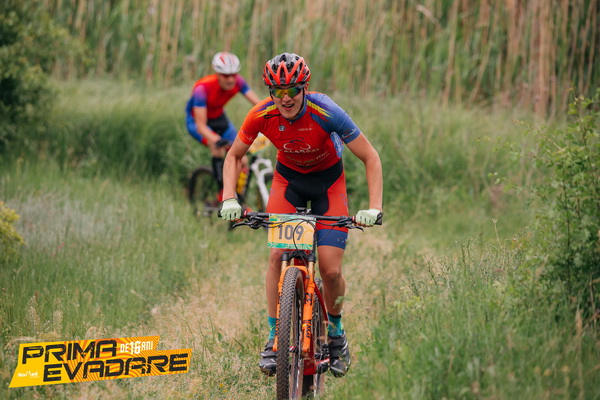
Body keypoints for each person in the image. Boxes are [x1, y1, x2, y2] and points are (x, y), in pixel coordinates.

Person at [219, 53, 383, 378]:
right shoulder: (261, 114)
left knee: (331, 271)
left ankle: (335, 333)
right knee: (277, 255)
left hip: (328, 185)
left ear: (304, 87)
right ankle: (274, 338)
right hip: (288, 183)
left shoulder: (327, 111)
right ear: (270, 92)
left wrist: (374, 207)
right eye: (277, 91)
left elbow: (370, 157)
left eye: (292, 90)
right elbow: (234, 155)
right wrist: (228, 198)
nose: (286, 98)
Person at [185, 51, 261, 200]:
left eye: (234, 74)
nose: (231, 79)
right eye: (226, 76)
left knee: (243, 160)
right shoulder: (202, 89)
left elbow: (259, 105)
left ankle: (238, 198)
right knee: (217, 148)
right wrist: (217, 139)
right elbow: (201, 126)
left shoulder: (239, 82)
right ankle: (222, 194)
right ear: (218, 74)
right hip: (198, 122)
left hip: (218, 117)